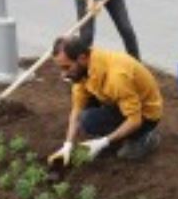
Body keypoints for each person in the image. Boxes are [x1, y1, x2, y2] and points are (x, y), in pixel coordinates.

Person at [47, 36, 162, 165]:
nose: (63, 74)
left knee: (127, 153)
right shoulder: (84, 69)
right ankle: (116, 134)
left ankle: (145, 138)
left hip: (145, 115)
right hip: (119, 102)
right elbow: (77, 109)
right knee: (86, 117)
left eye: (66, 67)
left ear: (82, 58)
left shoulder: (116, 76)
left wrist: (103, 142)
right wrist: (67, 144)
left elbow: (135, 120)